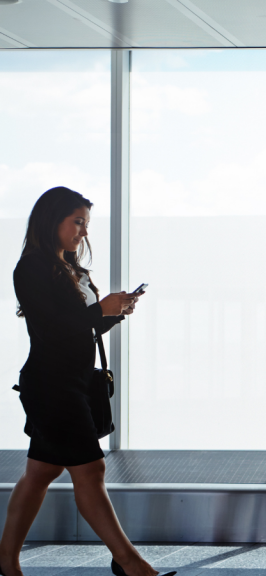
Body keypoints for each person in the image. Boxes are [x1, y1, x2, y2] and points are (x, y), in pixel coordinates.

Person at [0, 187, 175, 576]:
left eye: (86, 224)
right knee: (90, 471)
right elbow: (50, 329)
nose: (83, 232)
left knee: (40, 473)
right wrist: (101, 309)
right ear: (52, 221)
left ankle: (6, 563)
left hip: (74, 381)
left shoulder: (73, 269)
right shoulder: (29, 268)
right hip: (51, 385)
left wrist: (115, 312)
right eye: (77, 222)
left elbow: (80, 330)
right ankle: (130, 563)